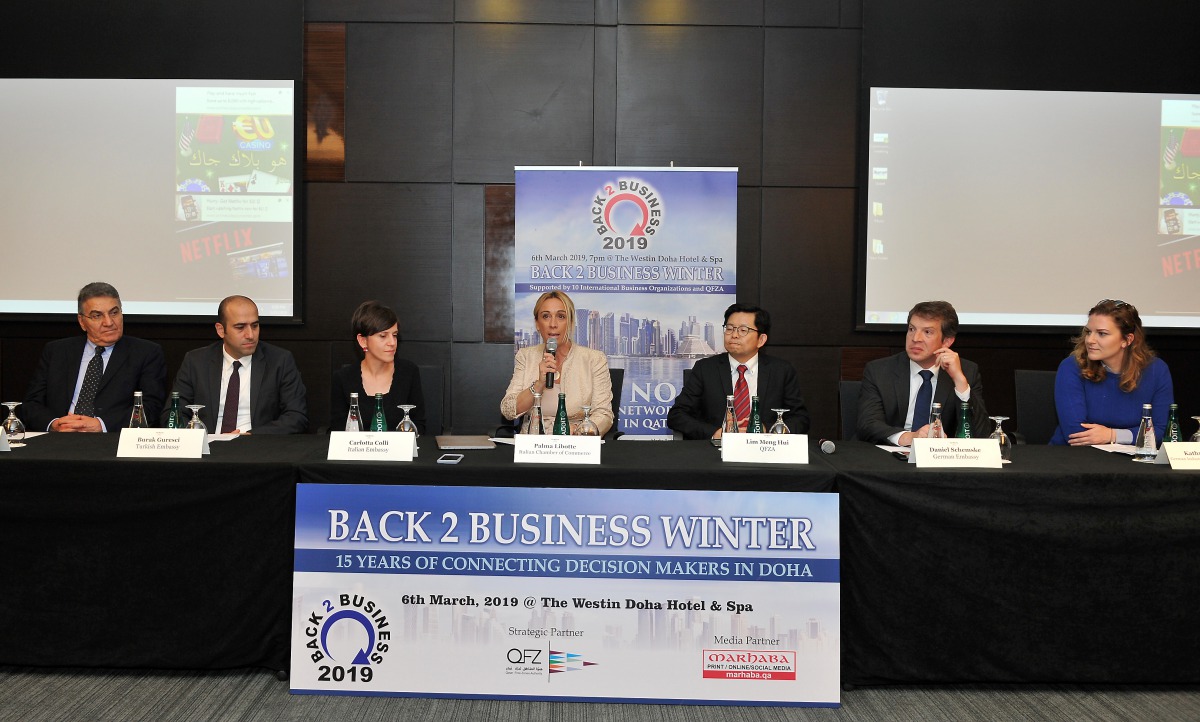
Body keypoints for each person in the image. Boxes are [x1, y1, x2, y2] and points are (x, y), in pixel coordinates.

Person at [22, 282, 167, 432]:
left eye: (114, 312)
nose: (109, 322)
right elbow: (32, 404)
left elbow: (152, 407)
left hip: (111, 440)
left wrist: (101, 425)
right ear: (82, 322)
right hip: (59, 438)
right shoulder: (57, 351)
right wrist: (54, 424)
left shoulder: (146, 353)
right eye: (97, 316)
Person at [166, 296, 308, 433]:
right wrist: (198, 438)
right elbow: (171, 413)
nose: (250, 335)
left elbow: (296, 417)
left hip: (255, 448)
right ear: (221, 330)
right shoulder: (196, 361)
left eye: (255, 326)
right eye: (240, 327)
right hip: (207, 447)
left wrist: (251, 436)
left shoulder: (279, 360)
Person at [667, 303, 809, 440]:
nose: (734, 335)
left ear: (761, 339)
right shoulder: (705, 369)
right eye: (729, 329)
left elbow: (800, 419)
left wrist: (766, 431)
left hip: (765, 451)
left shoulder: (781, 371)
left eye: (743, 330)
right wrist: (716, 433)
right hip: (715, 454)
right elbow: (677, 415)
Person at [857, 300, 989, 445]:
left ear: (947, 341)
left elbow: (980, 434)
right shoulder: (879, 371)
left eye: (927, 332)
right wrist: (910, 437)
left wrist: (960, 381)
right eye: (912, 329)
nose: (915, 339)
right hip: (889, 456)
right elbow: (868, 424)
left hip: (940, 461)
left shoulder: (967, 372)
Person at [1050, 299, 1173, 446]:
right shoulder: (1072, 367)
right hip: (1075, 458)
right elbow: (1076, 434)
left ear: (1127, 340)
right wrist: (1132, 435)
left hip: (1133, 461)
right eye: (1088, 332)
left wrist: (1112, 435)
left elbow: (1162, 431)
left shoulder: (1156, 370)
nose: (1090, 340)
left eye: (1102, 334)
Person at [501, 290, 613, 436]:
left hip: (575, 444)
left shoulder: (594, 359)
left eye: (561, 316)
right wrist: (539, 384)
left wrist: (579, 432)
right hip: (533, 445)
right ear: (537, 323)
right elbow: (508, 410)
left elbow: (604, 414)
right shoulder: (526, 356)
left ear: (571, 322)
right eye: (546, 316)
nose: (553, 324)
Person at [330, 301, 425, 433]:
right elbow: (338, 431)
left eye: (395, 335)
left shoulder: (408, 372)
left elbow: (419, 425)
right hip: (359, 452)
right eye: (383, 336)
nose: (392, 343)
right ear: (363, 340)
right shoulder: (343, 378)